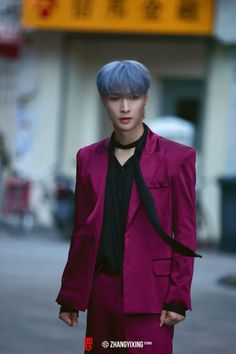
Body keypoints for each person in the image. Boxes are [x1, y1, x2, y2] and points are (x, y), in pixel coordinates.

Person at [56, 60, 201, 353]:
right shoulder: (87, 158)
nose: (124, 107)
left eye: (133, 97)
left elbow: (184, 233)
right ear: (103, 101)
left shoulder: (177, 158)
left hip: (152, 297)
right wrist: (71, 294)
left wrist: (178, 297)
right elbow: (83, 231)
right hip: (102, 294)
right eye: (115, 98)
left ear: (145, 98)